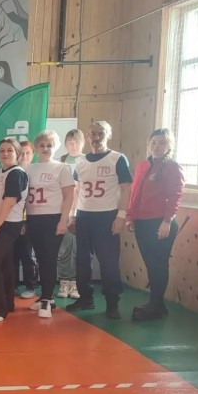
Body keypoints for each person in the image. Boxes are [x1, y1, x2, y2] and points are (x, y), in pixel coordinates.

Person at [66, 121, 132, 319]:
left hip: (107, 216)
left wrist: (121, 216)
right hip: (84, 216)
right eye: (93, 133)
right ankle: (85, 298)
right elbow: (76, 190)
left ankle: (112, 302)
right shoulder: (81, 161)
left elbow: (126, 188)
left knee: (109, 262)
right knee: (82, 261)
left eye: (101, 133)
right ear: (88, 136)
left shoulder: (117, 158)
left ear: (108, 135)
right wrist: (72, 215)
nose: (96, 137)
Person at [126, 128, 184, 321]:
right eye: (153, 142)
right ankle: (156, 303)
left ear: (169, 146)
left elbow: (175, 196)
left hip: (160, 223)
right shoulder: (143, 165)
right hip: (142, 223)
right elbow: (134, 193)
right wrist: (130, 217)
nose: (157, 146)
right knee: (151, 265)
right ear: (148, 145)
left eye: (162, 143)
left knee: (158, 264)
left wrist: (167, 221)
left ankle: (156, 305)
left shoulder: (171, 167)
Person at [24, 131, 74, 318]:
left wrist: (64, 219)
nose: (45, 149)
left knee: (49, 258)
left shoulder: (62, 168)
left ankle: (46, 298)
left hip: (53, 218)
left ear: (55, 147)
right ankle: (48, 297)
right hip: (33, 218)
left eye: (49, 145)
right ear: (36, 148)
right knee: (40, 258)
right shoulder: (29, 169)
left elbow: (69, 195)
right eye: (42, 145)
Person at [0, 138, 29, 322]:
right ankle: (7, 302)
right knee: (5, 264)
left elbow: (9, 201)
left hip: (6, 224)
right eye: (2, 150)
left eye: (10, 150)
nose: (5, 153)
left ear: (17, 153)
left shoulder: (17, 173)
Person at [57, 128, 85, 299]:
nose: (73, 145)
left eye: (76, 142)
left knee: (79, 249)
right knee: (64, 248)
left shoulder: (86, 160)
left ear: (82, 143)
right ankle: (64, 281)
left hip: (82, 211)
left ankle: (76, 282)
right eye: (70, 142)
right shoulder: (60, 161)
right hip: (63, 211)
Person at [14, 140, 39, 299]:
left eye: (27, 153)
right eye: (21, 153)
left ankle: (31, 286)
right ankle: (13, 284)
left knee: (28, 255)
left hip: (31, 219)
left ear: (33, 154)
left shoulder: (35, 172)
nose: (24, 156)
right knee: (12, 255)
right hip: (12, 219)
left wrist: (24, 222)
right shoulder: (12, 171)